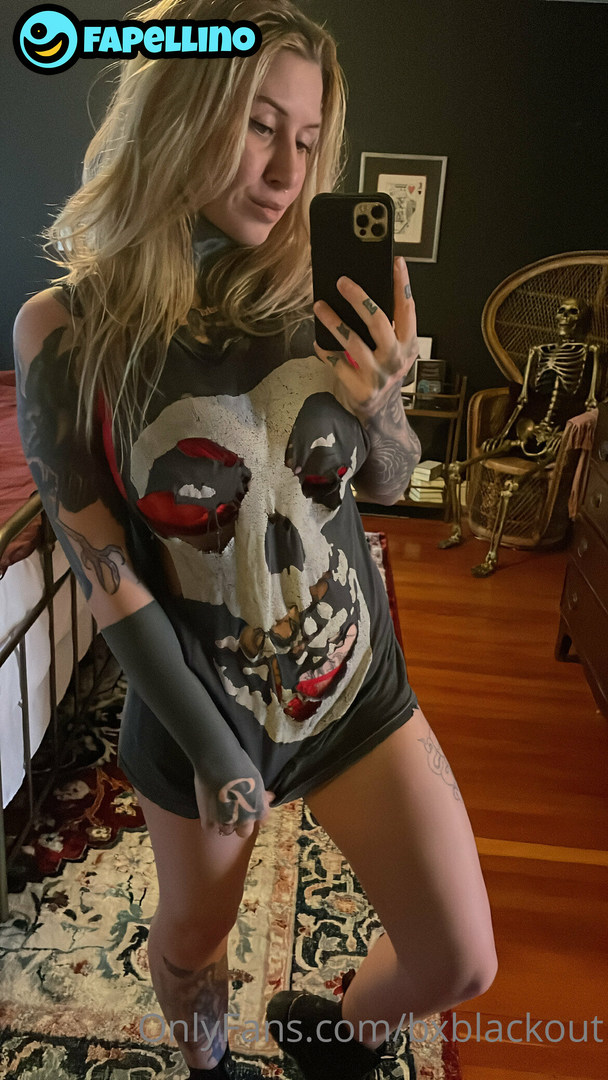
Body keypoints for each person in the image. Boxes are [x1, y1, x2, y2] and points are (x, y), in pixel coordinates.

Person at [14, 2, 497, 1078]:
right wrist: (217, 754)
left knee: (460, 959)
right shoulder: (65, 334)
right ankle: (211, 1068)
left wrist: (382, 405)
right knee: (193, 945)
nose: (286, 172)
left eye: (308, 140)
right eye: (259, 127)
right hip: (201, 707)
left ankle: (338, 1035)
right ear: (181, 113)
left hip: (353, 681)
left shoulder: (321, 292)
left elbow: (387, 482)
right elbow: (105, 575)